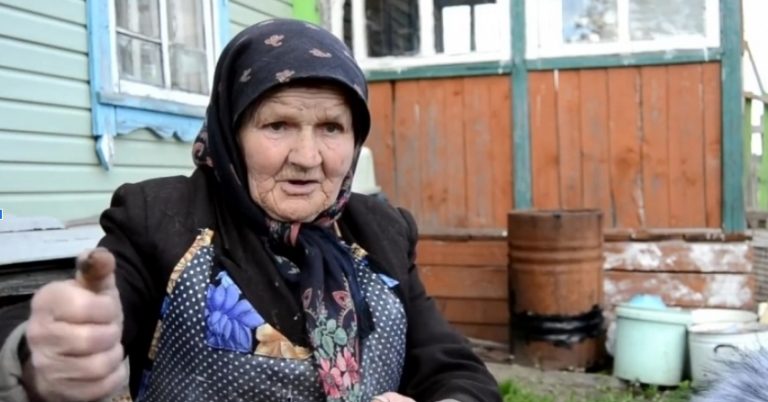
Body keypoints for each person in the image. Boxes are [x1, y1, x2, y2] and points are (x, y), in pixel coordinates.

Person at [0, 19, 501, 402]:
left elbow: (453, 368)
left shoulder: (380, 229)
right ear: (231, 131)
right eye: (277, 125)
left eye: (331, 127)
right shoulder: (159, 217)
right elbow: (72, 325)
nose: (308, 157)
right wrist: (48, 350)